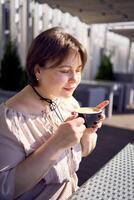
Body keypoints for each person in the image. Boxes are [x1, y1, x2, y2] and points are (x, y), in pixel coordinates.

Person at [0, 27, 109, 200]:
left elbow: (83, 152)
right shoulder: (9, 119)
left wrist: (88, 132)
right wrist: (56, 143)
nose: (75, 79)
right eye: (65, 71)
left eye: (79, 69)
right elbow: (4, 190)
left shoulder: (69, 101)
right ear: (38, 71)